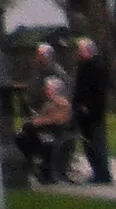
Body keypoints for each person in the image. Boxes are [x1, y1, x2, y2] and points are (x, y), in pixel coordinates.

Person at [17, 49, 76, 186]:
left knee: (43, 142)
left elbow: (58, 120)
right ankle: (29, 168)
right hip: (45, 132)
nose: (46, 91)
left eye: (48, 89)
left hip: (57, 134)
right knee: (23, 138)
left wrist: (38, 121)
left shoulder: (62, 104)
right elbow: (41, 117)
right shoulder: (48, 104)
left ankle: (47, 173)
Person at [73, 36, 113, 184]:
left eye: (80, 50)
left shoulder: (98, 67)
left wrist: (88, 105)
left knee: (98, 143)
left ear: (88, 51)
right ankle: (96, 171)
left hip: (94, 112)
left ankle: (103, 173)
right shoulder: (82, 66)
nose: (77, 52)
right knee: (88, 145)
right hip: (83, 112)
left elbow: (98, 91)